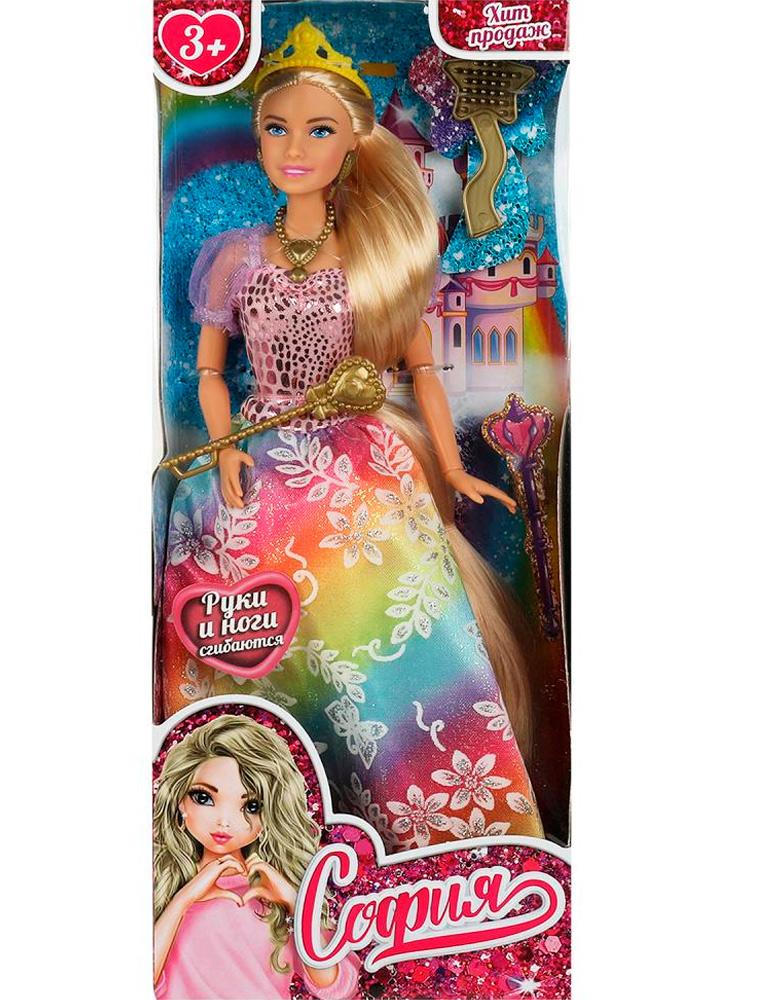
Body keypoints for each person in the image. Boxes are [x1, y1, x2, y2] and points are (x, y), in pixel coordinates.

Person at [157, 18, 544, 851]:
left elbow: (422, 370)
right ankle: (258, 818)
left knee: (386, 625)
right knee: (235, 598)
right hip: (260, 454)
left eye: (319, 131)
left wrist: (451, 468)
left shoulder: (373, 259)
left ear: (354, 143)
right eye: (276, 129)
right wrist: (223, 446)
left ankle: (435, 817)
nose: (294, 149)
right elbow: (214, 374)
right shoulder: (234, 256)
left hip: (360, 461)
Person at [153, 715, 360, 999]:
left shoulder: (273, 890)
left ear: (269, 815)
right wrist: (183, 899)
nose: (224, 821)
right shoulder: (160, 882)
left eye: (251, 806)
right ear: (180, 801)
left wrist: (295, 903)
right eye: (204, 798)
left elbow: (337, 987)